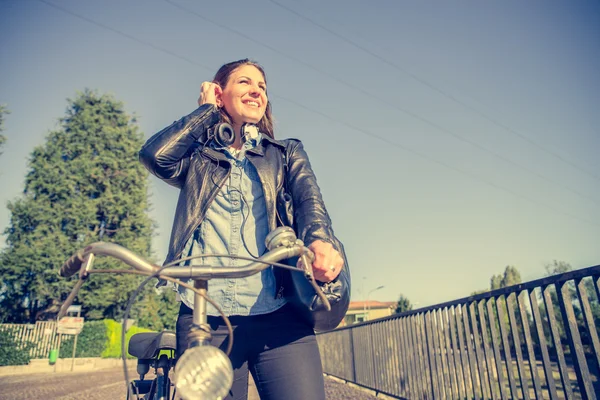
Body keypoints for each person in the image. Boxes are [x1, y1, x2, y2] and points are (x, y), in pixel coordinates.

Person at [139, 59, 345, 400]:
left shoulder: (285, 153)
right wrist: (205, 112)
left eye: (262, 87)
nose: (256, 91)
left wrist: (320, 240)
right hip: (206, 318)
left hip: (279, 314)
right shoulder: (199, 158)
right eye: (245, 83)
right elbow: (154, 156)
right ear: (221, 94)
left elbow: (310, 203)